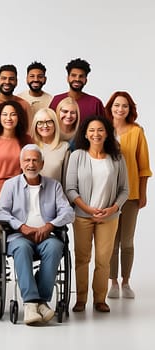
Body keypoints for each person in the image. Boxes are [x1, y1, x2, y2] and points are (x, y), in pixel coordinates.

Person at [0, 144, 75, 325]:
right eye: (27, 160)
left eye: (35, 160)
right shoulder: (10, 185)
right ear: (21, 163)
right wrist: (21, 227)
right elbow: (1, 213)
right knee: (22, 248)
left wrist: (49, 226)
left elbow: (68, 213)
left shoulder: (54, 186)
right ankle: (32, 304)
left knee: (56, 246)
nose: (31, 164)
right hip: (19, 236)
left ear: (42, 164)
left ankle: (41, 301)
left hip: (46, 237)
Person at [66, 115, 129, 313]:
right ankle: (81, 299)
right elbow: (70, 189)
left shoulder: (117, 157)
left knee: (103, 259)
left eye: (100, 130)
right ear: (85, 134)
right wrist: (87, 209)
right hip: (83, 216)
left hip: (109, 217)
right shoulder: (77, 156)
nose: (96, 134)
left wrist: (113, 208)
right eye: (92, 130)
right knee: (82, 258)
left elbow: (124, 190)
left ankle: (100, 299)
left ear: (107, 133)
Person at [104, 92, 152, 299]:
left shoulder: (136, 132)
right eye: (116, 105)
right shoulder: (103, 130)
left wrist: (143, 193)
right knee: (112, 241)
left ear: (129, 109)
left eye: (124, 106)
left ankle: (126, 282)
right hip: (108, 196)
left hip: (131, 195)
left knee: (128, 241)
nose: (120, 109)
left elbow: (144, 167)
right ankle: (112, 282)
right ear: (111, 107)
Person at [0, 100, 33, 222]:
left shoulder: (27, 140)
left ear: (19, 117)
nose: (9, 118)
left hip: (22, 190)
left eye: (13, 114)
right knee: (3, 233)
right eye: (4, 114)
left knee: (21, 231)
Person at [49, 58, 104, 124]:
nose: (77, 79)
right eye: (73, 75)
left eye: (81, 76)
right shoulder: (57, 100)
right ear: (68, 78)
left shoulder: (95, 103)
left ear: (86, 80)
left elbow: (103, 127)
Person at [30, 108, 70, 186]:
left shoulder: (64, 148)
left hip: (55, 196)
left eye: (49, 122)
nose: (45, 126)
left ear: (55, 124)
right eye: (40, 122)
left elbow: (66, 182)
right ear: (35, 125)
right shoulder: (30, 146)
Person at [0, 64, 32, 130]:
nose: (7, 82)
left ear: (16, 82)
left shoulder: (24, 105)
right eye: (4, 78)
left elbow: (30, 132)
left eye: (11, 79)